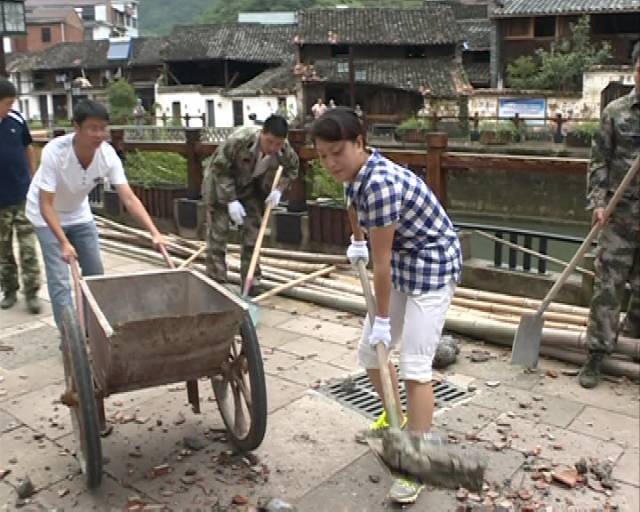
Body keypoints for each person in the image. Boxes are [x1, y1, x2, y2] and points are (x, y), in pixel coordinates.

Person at [310, 107, 461, 504]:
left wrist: (381, 319)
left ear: (360, 143)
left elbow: (382, 265)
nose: (329, 164)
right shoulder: (353, 176)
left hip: (431, 262)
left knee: (414, 364)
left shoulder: (380, 184)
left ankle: (417, 458)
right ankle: (397, 416)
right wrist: (356, 238)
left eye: (337, 152)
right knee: (370, 355)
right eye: (322, 155)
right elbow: (352, 206)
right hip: (402, 259)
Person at [25, 100, 165, 331]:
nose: (99, 134)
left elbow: (128, 198)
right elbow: (46, 205)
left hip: (79, 213)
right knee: (60, 280)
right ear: (76, 128)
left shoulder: (107, 155)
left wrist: (155, 233)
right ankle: (71, 340)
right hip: (45, 216)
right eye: (92, 128)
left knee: (96, 275)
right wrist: (63, 242)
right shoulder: (55, 152)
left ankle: (95, 331)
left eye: (103, 128)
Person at [580, 42, 640, 389]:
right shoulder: (616, 113)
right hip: (619, 217)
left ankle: (632, 345)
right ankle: (596, 355)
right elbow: (598, 160)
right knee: (607, 286)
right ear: (634, 70)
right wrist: (598, 202)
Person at [203, 115, 299, 293]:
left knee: (253, 235)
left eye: (278, 144)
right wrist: (231, 200)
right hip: (220, 185)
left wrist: (279, 189)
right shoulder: (239, 141)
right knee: (219, 233)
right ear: (262, 133)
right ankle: (216, 282)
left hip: (250, 189)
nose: (273, 148)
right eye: (269, 142)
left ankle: (251, 283)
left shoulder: (283, 149)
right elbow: (220, 170)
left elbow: (292, 168)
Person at [0, 79, 41, 313]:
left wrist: (33, 176)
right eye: (7, 103)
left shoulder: (16, 119)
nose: (10, 107)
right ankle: (9, 290)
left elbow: (28, 147)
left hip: (22, 195)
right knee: (3, 250)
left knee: (28, 247)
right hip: (0, 203)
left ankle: (32, 293)